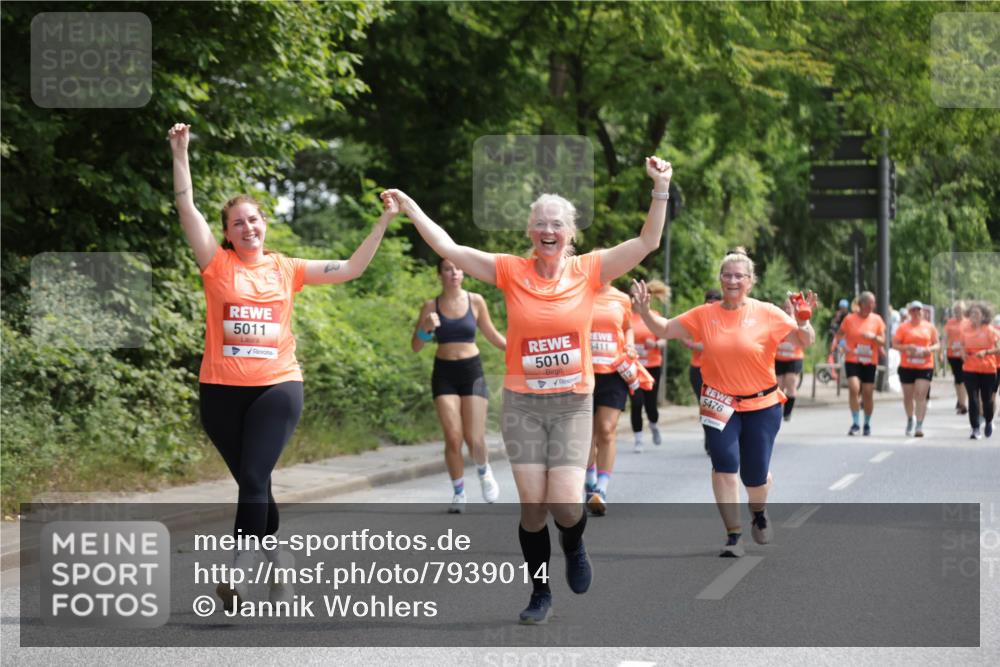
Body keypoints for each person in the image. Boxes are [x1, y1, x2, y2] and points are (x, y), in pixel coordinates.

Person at [382, 154, 672, 624]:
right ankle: (540, 592)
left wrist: (660, 186)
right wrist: (412, 208)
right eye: (540, 223)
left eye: (556, 223)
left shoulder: (590, 271)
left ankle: (574, 545)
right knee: (533, 507)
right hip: (523, 403)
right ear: (530, 233)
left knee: (563, 501)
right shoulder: (509, 271)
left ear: (570, 233)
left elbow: (647, 240)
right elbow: (451, 248)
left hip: (573, 400)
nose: (547, 229)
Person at [169, 123, 394, 610]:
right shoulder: (216, 265)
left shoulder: (287, 268)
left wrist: (382, 222)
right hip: (220, 393)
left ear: (264, 222)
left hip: (278, 386)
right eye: (237, 224)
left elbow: (352, 268)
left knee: (253, 478)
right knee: (256, 483)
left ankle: (238, 574)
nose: (247, 228)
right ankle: (279, 558)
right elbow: (186, 206)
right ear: (226, 234)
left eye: (254, 219)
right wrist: (181, 150)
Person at [633, 248, 816, 558]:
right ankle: (733, 535)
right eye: (727, 275)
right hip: (719, 403)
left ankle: (758, 510)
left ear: (750, 280)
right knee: (724, 467)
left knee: (755, 477)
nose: (732, 280)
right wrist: (645, 311)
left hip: (762, 404)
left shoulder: (768, 312)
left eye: (738, 276)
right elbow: (664, 329)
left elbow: (803, 341)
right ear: (720, 279)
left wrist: (803, 321)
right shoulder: (705, 314)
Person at [412, 258, 507, 512]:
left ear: (463, 273)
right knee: (453, 437)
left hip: (471, 371)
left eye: (457, 268)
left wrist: (518, 347)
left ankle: (484, 472)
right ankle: (459, 493)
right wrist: (426, 328)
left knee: (474, 438)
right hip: (444, 373)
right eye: (447, 269)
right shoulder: (430, 306)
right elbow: (416, 345)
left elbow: (493, 335)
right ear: (440, 274)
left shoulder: (475, 301)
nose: (453, 273)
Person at [584, 282, 634, 516]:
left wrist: (631, 345)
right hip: (583, 372)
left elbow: (628, 327)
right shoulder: (578, 292)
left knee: (606, 429)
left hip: (614, 373)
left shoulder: (622, 299)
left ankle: (601, 490)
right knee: (585, 434)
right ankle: (589, 478)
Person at [831, 291, 886, 436]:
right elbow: (839, 335)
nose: (872, 306)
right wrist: (843, 346)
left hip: (869, 360)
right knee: (854, 388)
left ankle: (866, 423)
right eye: (869, 303)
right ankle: (855, 423)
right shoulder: (849, 319)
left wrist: (873, 337)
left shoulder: (877, 320)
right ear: (861, 304)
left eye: (873, 304)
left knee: (868, 393)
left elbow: (883, 341)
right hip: (852, 359)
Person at [628, 279, 669, 452]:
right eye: (630, 295)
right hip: (633, 367)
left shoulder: (655, 315)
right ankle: (638, 439)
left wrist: (657, 345)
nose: (632, 298)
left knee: (650, 405)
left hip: (652, 365)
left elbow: (664, 336)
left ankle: (653, 424)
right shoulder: (626, 316)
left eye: (635, 294)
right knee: (636, 402)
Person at [892, 300, 940, 437]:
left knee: (920, 394)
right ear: (909, 312)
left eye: (918, 310)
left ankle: (919, 425)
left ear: (922, 312)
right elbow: (895, 344)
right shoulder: (903, 327)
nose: (916, 313)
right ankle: (910, 419)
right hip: (907, 366)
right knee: (908, 396)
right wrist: (907, 348)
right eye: (913, 310)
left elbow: (937, 345)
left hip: (925, 365)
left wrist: (928, 349)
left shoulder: (929, 327)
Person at [684, 288, 722, 453]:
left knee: (715, 406)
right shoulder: (698, 318)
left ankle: (716, 438)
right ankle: (710, 438)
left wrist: (698, 345)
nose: (711, 303)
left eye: (714, 300)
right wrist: (688, 342)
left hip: (717, 371)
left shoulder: (724, 320)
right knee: (705, 405)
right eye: (708, 300)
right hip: (697, 369)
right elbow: (681, 330)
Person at [960, 302, 1000, 439]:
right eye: (971, 314)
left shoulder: (990, 331)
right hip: (970, 369)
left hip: (988, 369)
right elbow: (962, 346)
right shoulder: (966, 330)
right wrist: (962, 354)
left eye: (976, 314)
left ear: (983, 316)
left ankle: (988, 420)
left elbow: (999, 349)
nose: (973, 316)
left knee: (987, 400)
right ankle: (975, 428)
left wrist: (987, 352)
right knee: (973, 398)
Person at [775, 298, 805, 422]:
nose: (787, 310)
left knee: (790, 383)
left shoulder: (799, 321)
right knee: (779, 385)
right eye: (785, 307)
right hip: (779, 357)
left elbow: (804, 337)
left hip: (794, 358)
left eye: (790, 307)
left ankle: (787, 413)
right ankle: (777, 411)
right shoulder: (777, 320)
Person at [941, 301, 970, 414]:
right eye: (956, 310)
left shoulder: (968, 323)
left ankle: (963, 404)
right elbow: (945, 338)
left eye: (960, 310)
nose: (958, 312)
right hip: (952, 354)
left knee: (963, 379)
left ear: (964, 311)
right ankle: (960, 400)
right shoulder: (950, 323)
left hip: (965, 355)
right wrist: (942, 352)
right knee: (957, 379)